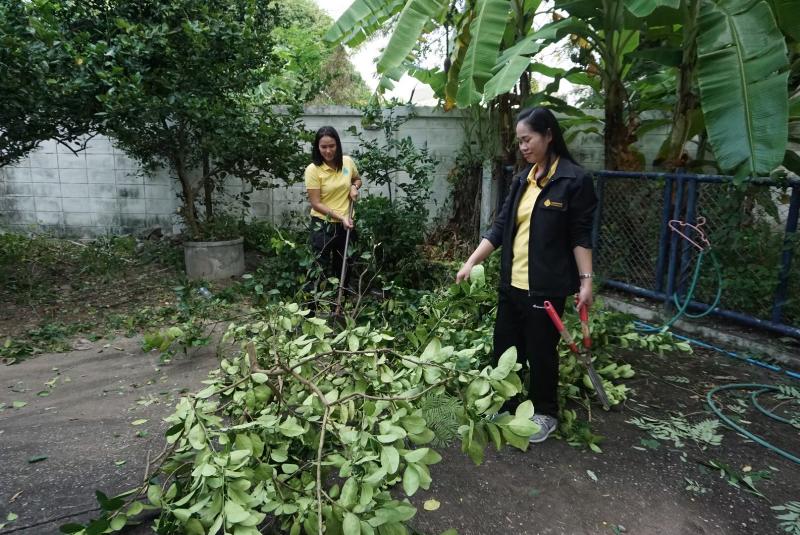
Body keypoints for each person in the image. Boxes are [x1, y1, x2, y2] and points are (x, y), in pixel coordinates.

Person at [456, 107, 597, 443]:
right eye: (519, 141)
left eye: (527, 139)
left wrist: (586, 281)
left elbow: (580, 235)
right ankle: (507, 402)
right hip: (512, 283)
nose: (522, 146)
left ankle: (546, 411)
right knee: (505, 348)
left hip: (545, 288)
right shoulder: (523, 179)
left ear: (548, 135)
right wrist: (472, 262)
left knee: (541, 352)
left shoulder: (574, 180)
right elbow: (501, 228)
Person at [305, 126, 362, 288]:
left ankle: (338, 306)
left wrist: (354, 187)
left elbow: (357, 179)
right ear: (317, 147)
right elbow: (316, 203)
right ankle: (311, 309)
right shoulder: (313, 170)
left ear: (338, 144)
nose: (328, 151)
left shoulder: (348, 162)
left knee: (344, 267)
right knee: (318, 268)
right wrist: (341, 217)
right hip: (323, 225)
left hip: (347, 225)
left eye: (332, 146)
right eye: (323, 147)